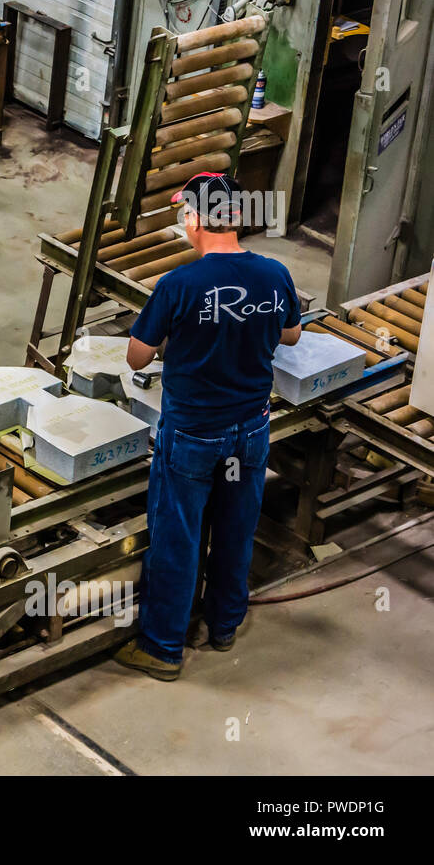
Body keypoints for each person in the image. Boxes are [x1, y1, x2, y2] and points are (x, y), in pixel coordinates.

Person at [114, 172, 302, 681]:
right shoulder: (274, 273)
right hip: (251, 430)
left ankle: (162, 647)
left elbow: (136, 358)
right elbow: (290, 335)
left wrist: (184, 340)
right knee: (236, 528)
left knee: (178, 536)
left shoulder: (178, 285)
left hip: (193, 436)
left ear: (194, 219)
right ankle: (223, 625)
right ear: (237, 218)